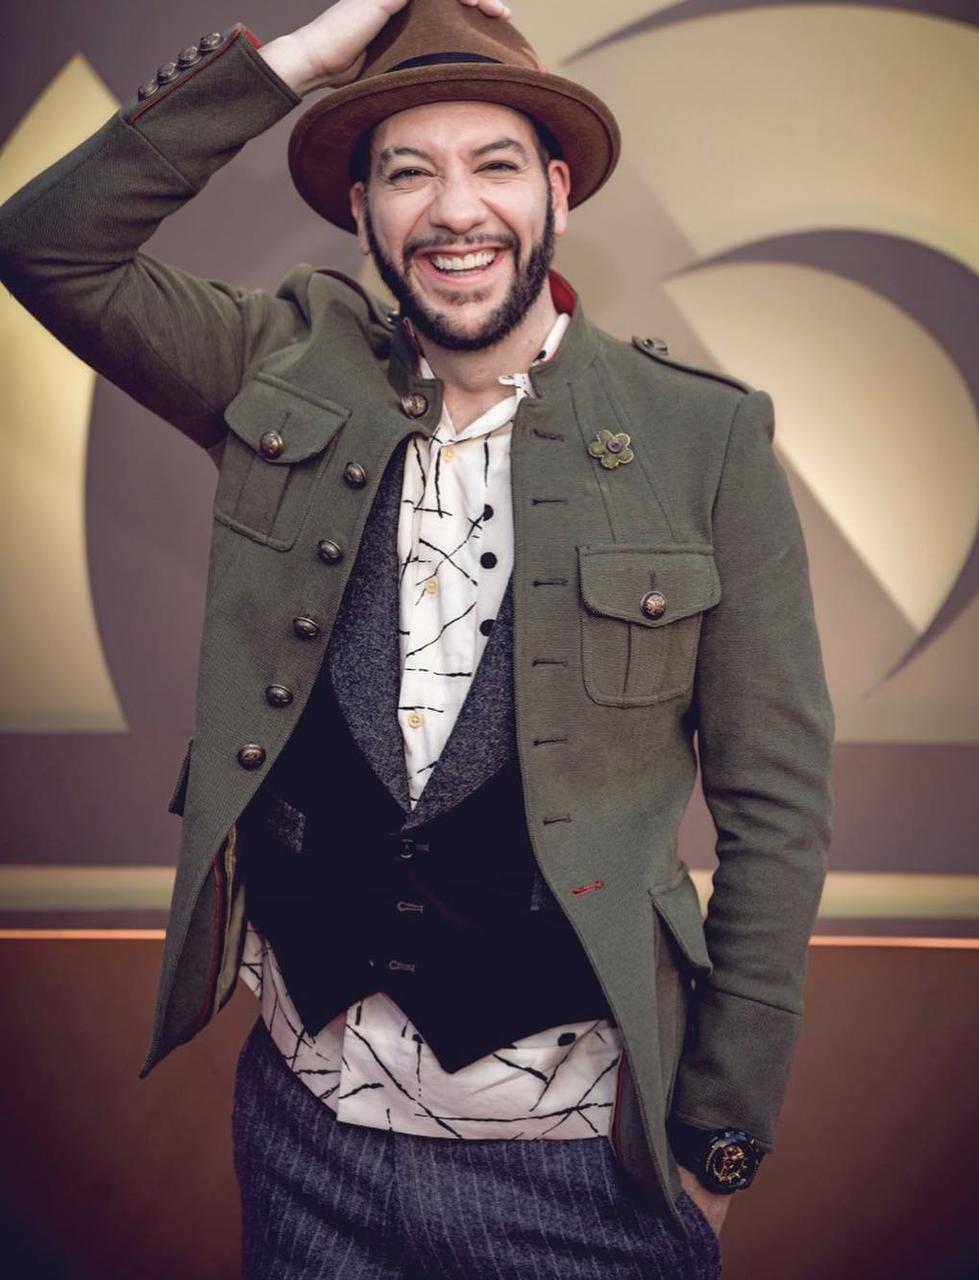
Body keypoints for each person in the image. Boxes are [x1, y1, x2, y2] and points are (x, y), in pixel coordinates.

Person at [0, 0, 835, 1275]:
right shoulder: (281, 364)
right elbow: (44, 242)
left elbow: (777, 807)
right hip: (305, 1146)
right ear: (361, 213)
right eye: (406, 172)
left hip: (581, 1170)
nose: (454, 210)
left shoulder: (701, 437)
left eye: (495, 165)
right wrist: (298, 64)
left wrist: (721, 1137)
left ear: (557, 193)